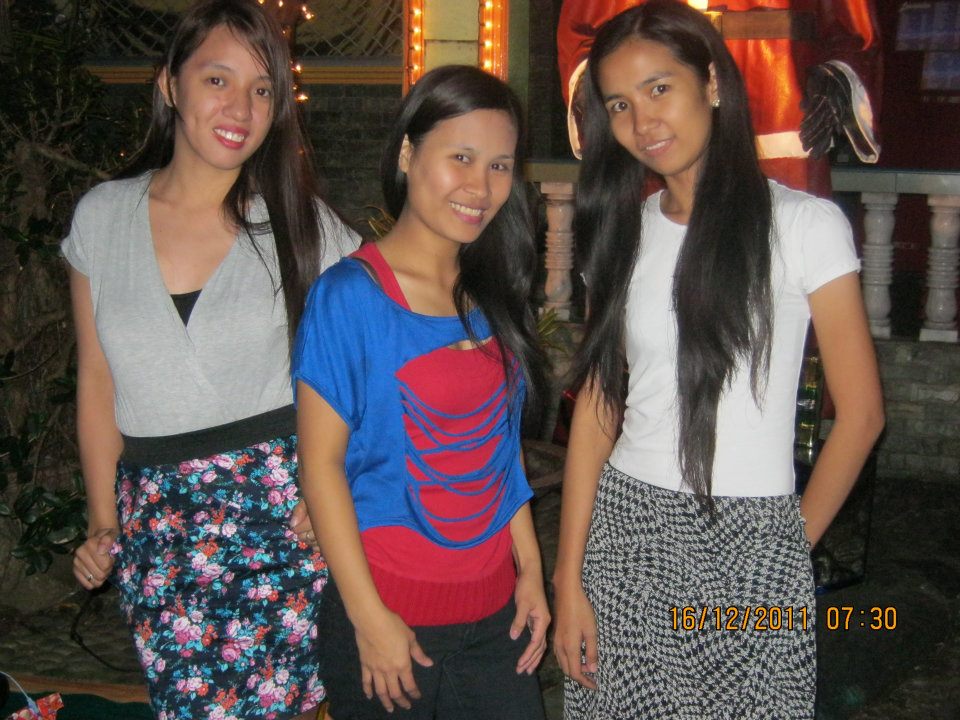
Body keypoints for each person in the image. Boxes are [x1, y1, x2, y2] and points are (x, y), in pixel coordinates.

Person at [551, 2, 884, 717]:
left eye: (659, 88)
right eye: (620, 103)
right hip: (627, 532)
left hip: (754, 532)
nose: (643, 120)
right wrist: (568, 579)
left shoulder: (804, 225)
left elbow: (861, 416)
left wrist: (785, 550)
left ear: (710, 83)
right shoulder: (623, 233)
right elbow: (600, 407)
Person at [65, 1, 358, 718]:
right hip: (158, 524)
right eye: (217, 80)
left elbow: (370, 358)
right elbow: (97, 380)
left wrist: (337, 481)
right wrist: (104, 520)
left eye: (262, 89)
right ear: (170, 84)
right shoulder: (103, 217)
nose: (241, 108)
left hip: (280, 513)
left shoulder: (300, 222)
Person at [292, 65, 550, 720]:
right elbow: (320, 466)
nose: (480, 187)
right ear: (408, 153)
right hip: (390, 617)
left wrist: (530, 570)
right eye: (460, 157)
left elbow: (501, 450)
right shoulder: (350, 295)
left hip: (496, 619)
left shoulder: (493, 292)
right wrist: (369, 619)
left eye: (499, 166)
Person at [557, 0, 882, 196]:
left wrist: (839, 79)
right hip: (659, 125)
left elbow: (854, 30)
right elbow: (585, 32)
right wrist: (601, 93)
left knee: (788, 251)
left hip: (781, 110)